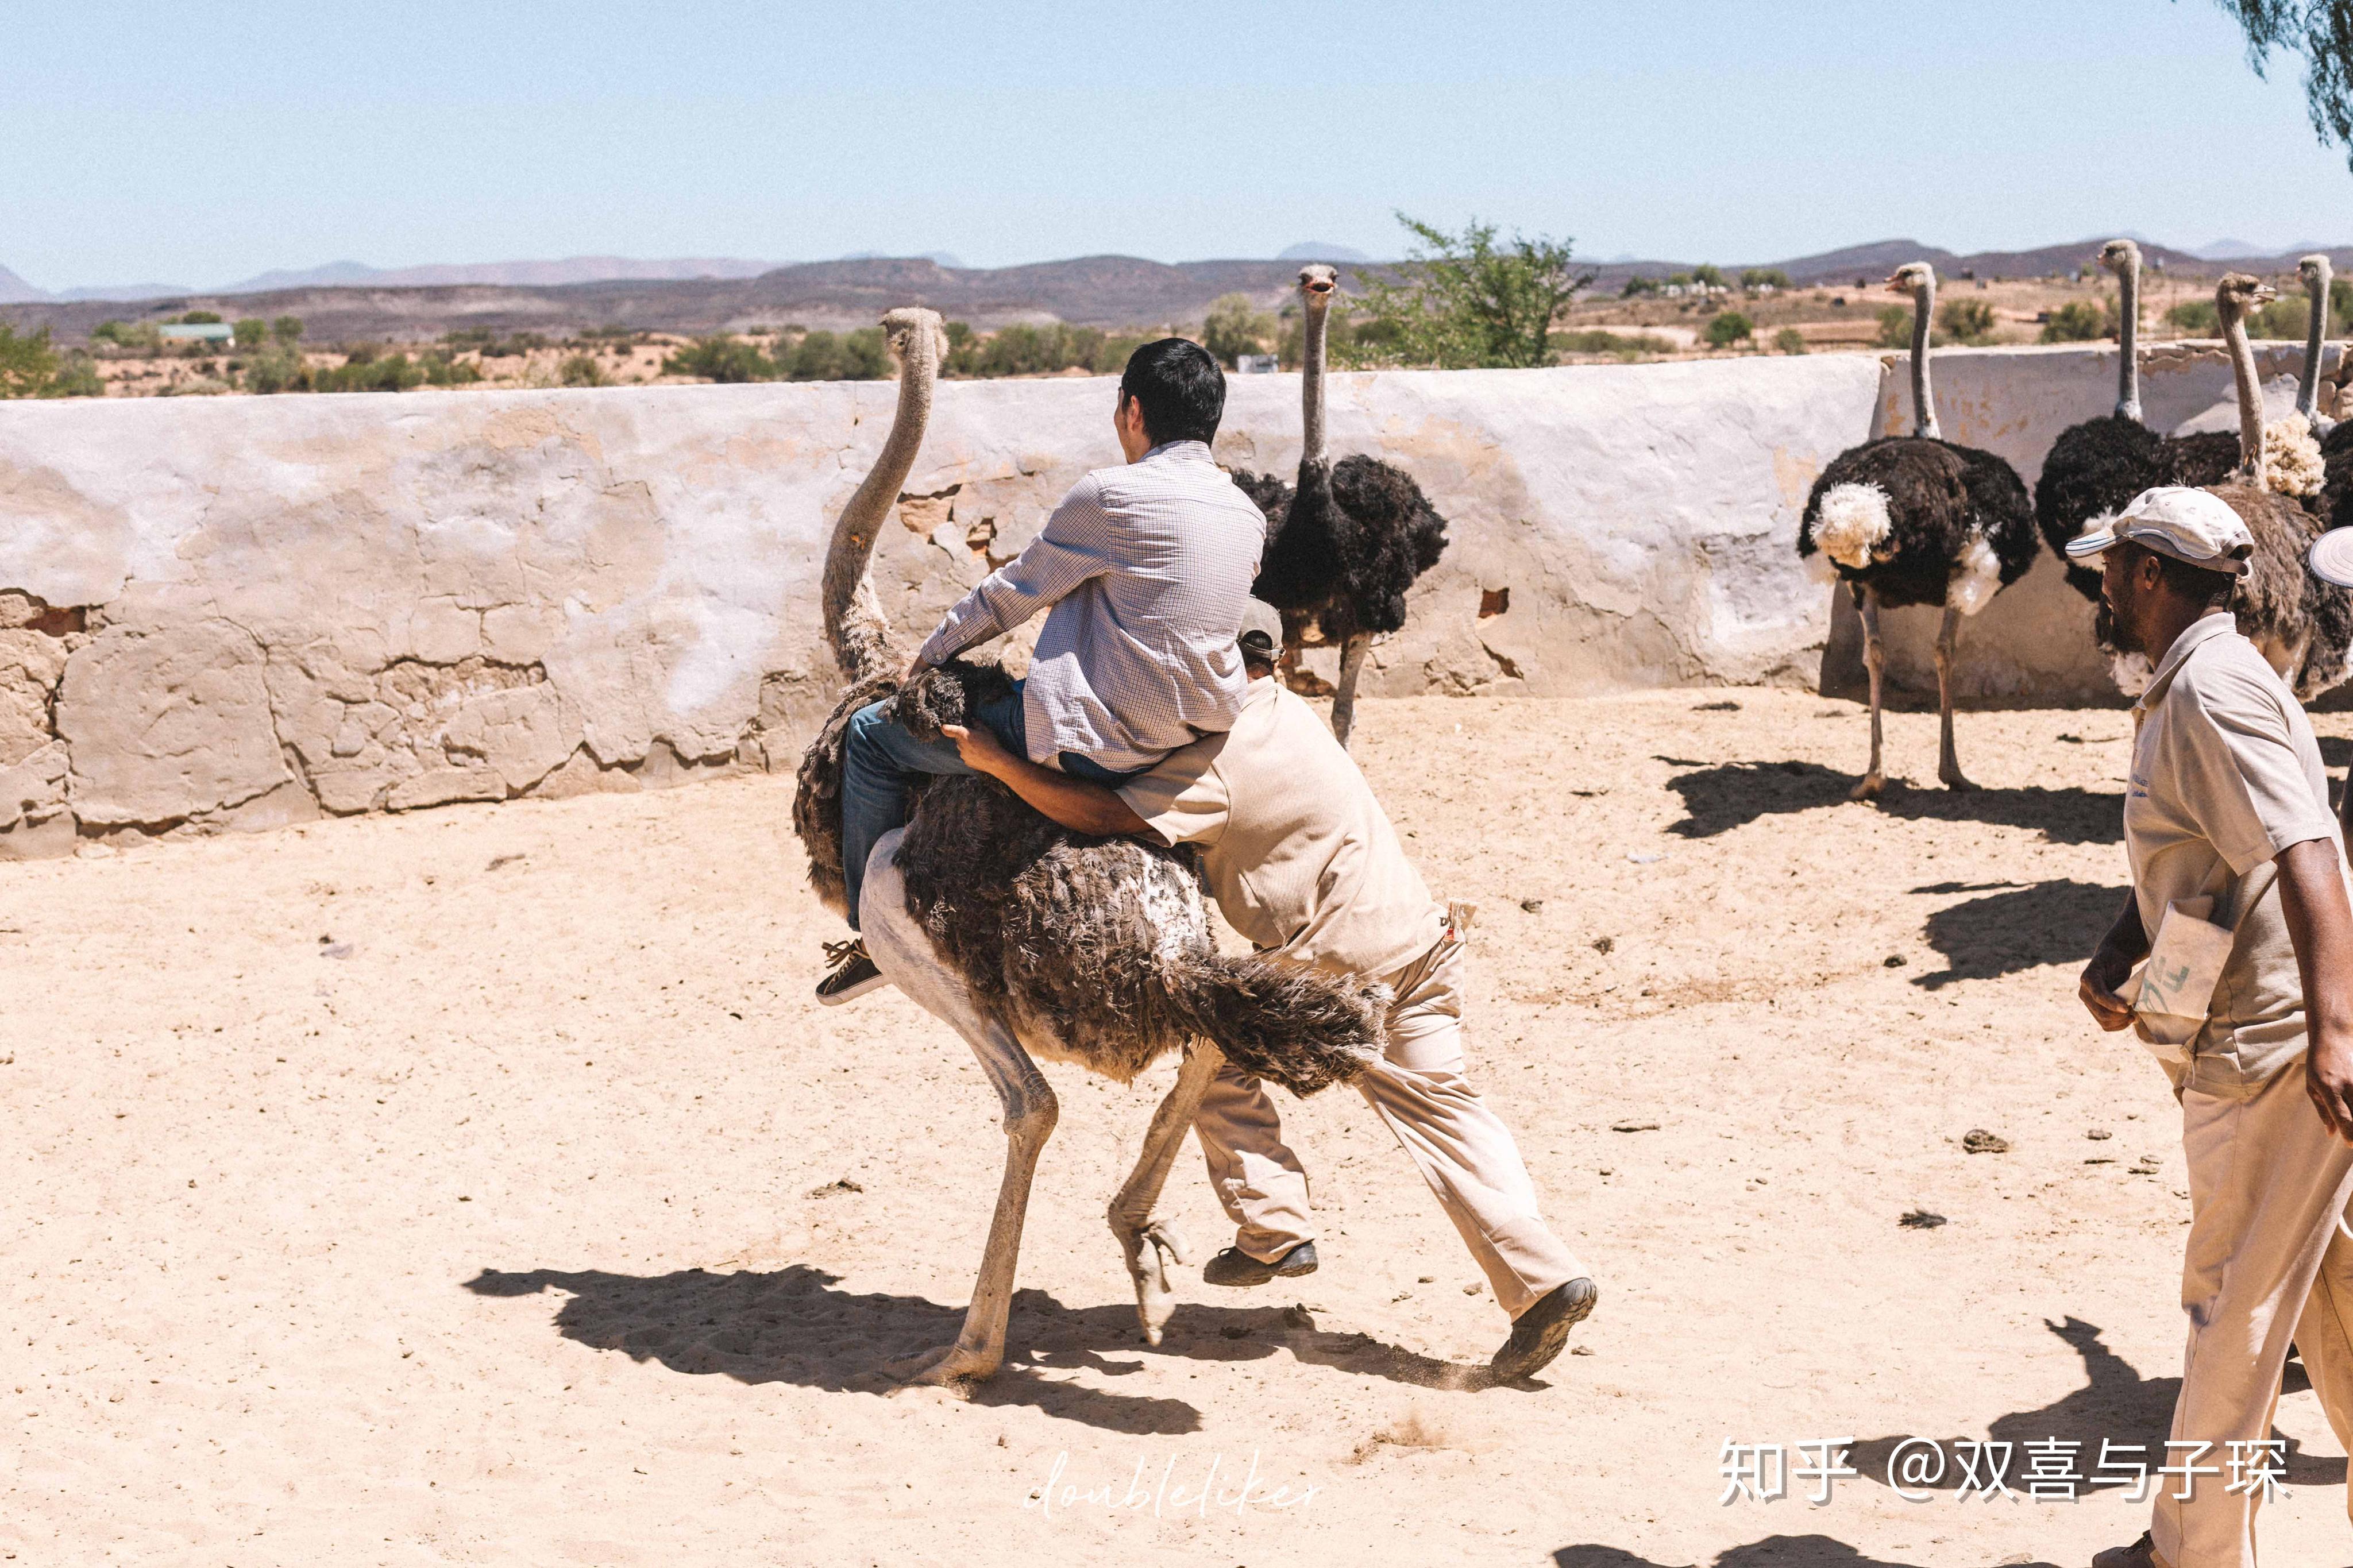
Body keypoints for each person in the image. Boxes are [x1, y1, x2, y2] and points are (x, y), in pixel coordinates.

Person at [939, 598, 1598, 1381]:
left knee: (1204, 1048)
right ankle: (1513, 1271)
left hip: (1342, 970)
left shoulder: (1214, 759)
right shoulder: (1290, 712)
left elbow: (1102, 815)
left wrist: (998, 764)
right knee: (1445, 1112)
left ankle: (1294, 1231)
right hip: (1424, 941)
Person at [2065, 489, 2353, 1568]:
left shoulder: (2214, 690)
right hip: (2260, 1021)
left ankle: (2191, 1553)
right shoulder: (2203, 679)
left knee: (2232, 1291)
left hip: (2272, 1043)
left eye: (2111, 569)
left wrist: (2335, 1033)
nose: (2100, 587)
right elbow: (2207, 849)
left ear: (2147, 574)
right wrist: (2119, 946)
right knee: (2327, 1278)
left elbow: (2307, 847)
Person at [818, 337, 1267, 1004]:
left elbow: (1014, 593)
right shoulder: (1247, 515)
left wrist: (931, 657)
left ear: (1132, 411)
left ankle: (871, 936)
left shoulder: (1112, 496)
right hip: (1194, 741)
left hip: (1100, 747)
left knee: (868, 740)